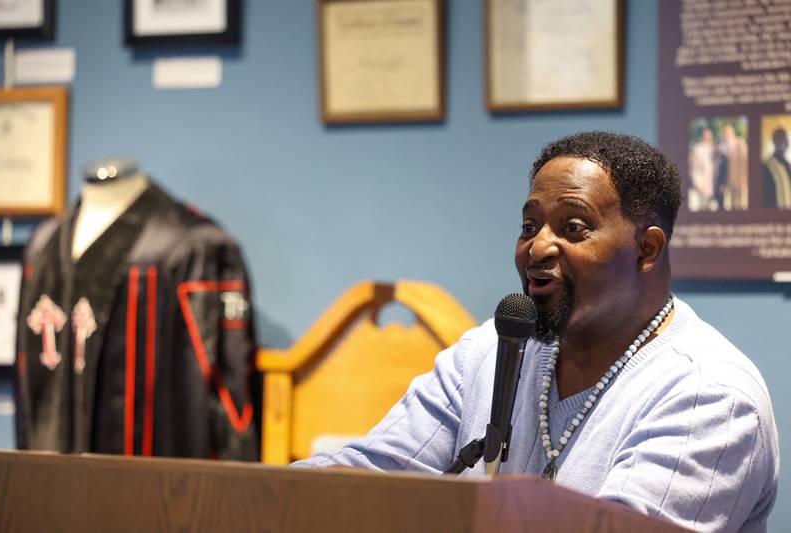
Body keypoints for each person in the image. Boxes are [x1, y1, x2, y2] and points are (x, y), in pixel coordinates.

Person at [296, 132, 779, 532]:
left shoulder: (709, 395)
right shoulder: (490, 350)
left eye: (573, 228)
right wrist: (272, 495)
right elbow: (370, 472)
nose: (538, 247)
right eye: (530, 226)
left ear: (647, 250)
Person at [16, 163, 260, 460]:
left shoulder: (192, 244)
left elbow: (229, 404)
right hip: (45, 487)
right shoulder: (44, 246)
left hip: (157, 489)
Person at [688, 127, 718, 211]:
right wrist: (697, 180)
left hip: (712, 180)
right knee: (701, 205)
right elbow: (694, 166)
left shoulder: (713, 148)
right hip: (701, 180)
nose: (708, 137)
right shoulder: (698, 148)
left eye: (709, 135)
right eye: (706, 135)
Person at [761, 127, 791, 209]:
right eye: (780, 138)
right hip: (773, 216)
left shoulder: (787, 165)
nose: (783, 142)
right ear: (774, 141)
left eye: (785, 139)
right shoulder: (766, 166)